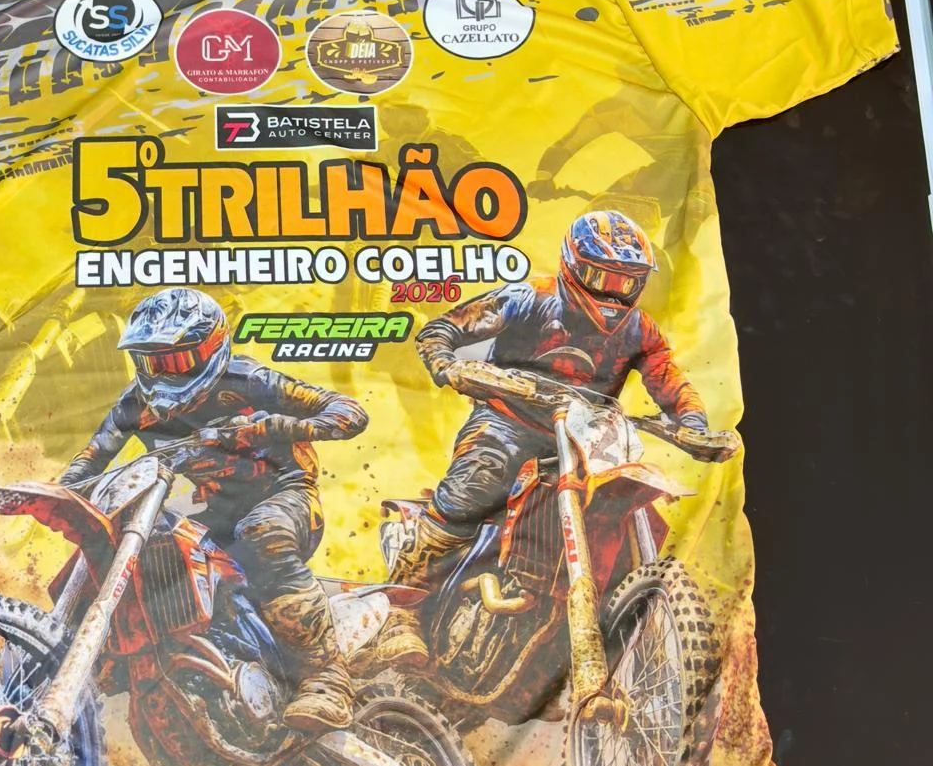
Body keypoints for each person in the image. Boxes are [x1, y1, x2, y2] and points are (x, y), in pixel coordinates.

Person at [375, 210, 709, 667]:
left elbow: (668, 378)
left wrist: (693, 422)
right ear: (574, 267)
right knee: (477, 481)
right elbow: (444, 328)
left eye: (626, 281)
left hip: (585, 435)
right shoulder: (528, 297)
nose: (613, 292)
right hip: (508, 420)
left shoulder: (640, 329)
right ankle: (402, 612)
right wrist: (448, 364)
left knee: (629, 500)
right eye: (601, 277)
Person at [60, 287, 368, 733]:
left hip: (285, 498)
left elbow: (348, 412)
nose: (163, 375)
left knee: (261, 531)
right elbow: (89, 462)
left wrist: (268, 426)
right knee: (145, 543)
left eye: (177, 361)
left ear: (212, 350)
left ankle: (327, 677)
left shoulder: (248, 381)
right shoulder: (134, 404)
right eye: (151, 362)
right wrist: (60, 493)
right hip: (212, 514)